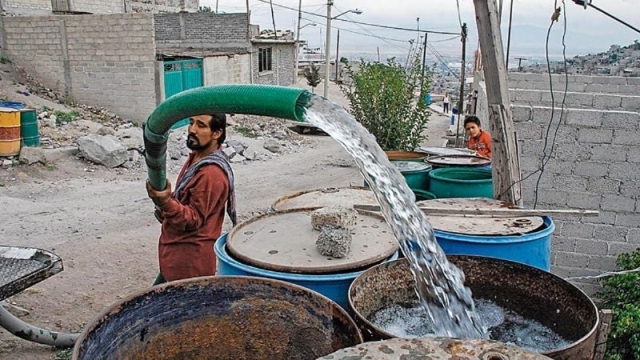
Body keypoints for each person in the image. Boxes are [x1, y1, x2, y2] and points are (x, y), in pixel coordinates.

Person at [146, 113, 237, 285]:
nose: (192, 129)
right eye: (191, 122)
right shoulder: (196, 158)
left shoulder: (211, 173)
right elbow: (184, 201)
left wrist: (166, 202)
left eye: (201, 125)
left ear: (216, 133)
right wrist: (166, 205)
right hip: (176, 256)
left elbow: (193, 220)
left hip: (190, 265)